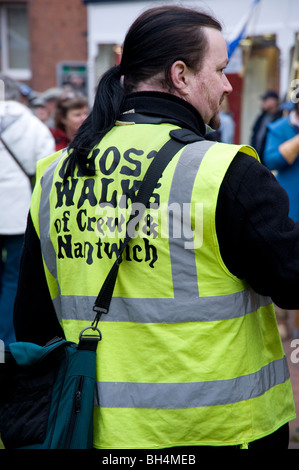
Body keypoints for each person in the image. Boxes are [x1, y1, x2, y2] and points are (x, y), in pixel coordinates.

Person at [14, 5, 297, 450]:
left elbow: (32, 320)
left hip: (96, 429)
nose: (227, 85)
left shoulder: (55, 175)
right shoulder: (225, 172)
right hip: (220, 429)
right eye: (221, 70)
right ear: (180, 75)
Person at [0, 74, 55, 345]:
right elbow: (44, 165)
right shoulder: (30, 124)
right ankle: (6, 342)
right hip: (16, 213)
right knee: (13, 277)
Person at [263, 97, 299, 340]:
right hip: (291, 203)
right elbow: (271, 160)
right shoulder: (279, 129)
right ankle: (281, 319)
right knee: (286, 261)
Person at [250, 90, 282, 163]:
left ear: (273, 102)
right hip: (258, 159)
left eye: (266, 100)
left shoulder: (280, 118)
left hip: (271, 161)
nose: (263, 103)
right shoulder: (261, 117)